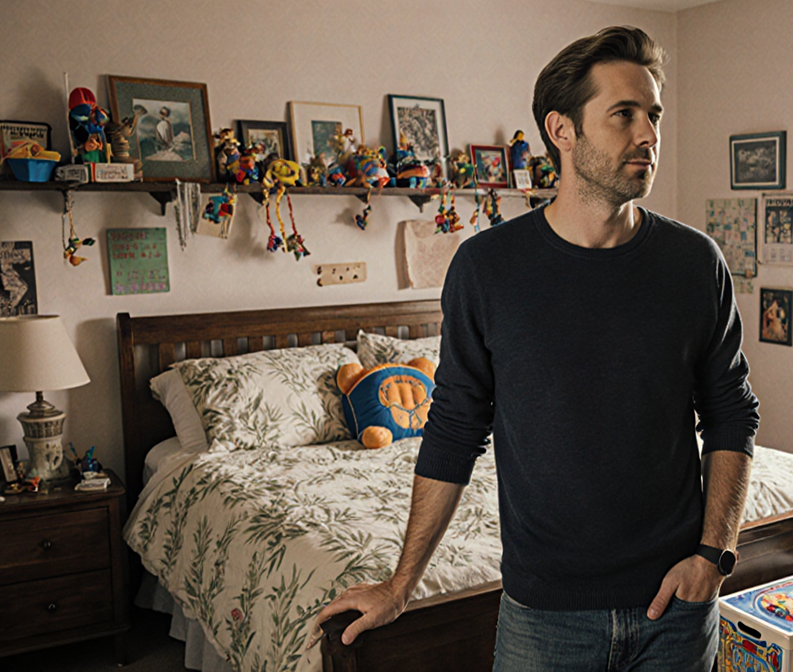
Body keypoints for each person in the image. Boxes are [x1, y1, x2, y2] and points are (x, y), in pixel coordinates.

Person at [310, 25, 759, 671]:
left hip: (678, 606)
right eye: (624, 114)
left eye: (653, 115)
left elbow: (731, 411)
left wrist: (714, 558)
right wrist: (400, 583)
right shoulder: (488, 268)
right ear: (562, 130)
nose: (649, 135)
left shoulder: (694, 263)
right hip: (546, 615)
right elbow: (455, 427)